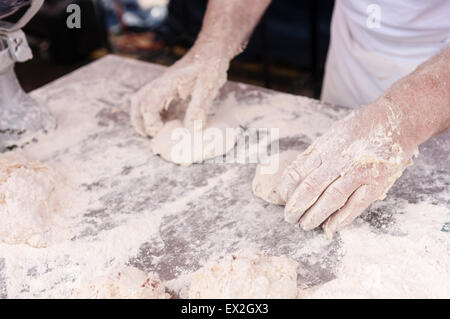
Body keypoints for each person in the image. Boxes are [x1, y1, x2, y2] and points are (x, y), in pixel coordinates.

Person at [130, 0, 450, 235]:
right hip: (356, 45)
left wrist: (402, 119)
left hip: (441, 70)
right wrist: (213, 45)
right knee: (329, 173)